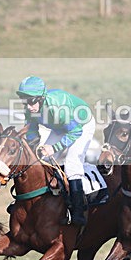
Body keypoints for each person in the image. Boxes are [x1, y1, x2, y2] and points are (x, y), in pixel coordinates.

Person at [16, 76, 95, 227]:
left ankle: (78, 212)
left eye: (32, 101)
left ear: (41, 98)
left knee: (72, 164)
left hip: (81, 126)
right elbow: (32, 131)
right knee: (41, 160)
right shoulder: (30, 109)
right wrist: (33, 149)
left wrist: (54, 148)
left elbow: (75, 132)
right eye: (25, 101)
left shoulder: (57, 107)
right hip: (59, 127)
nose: (29, 106)